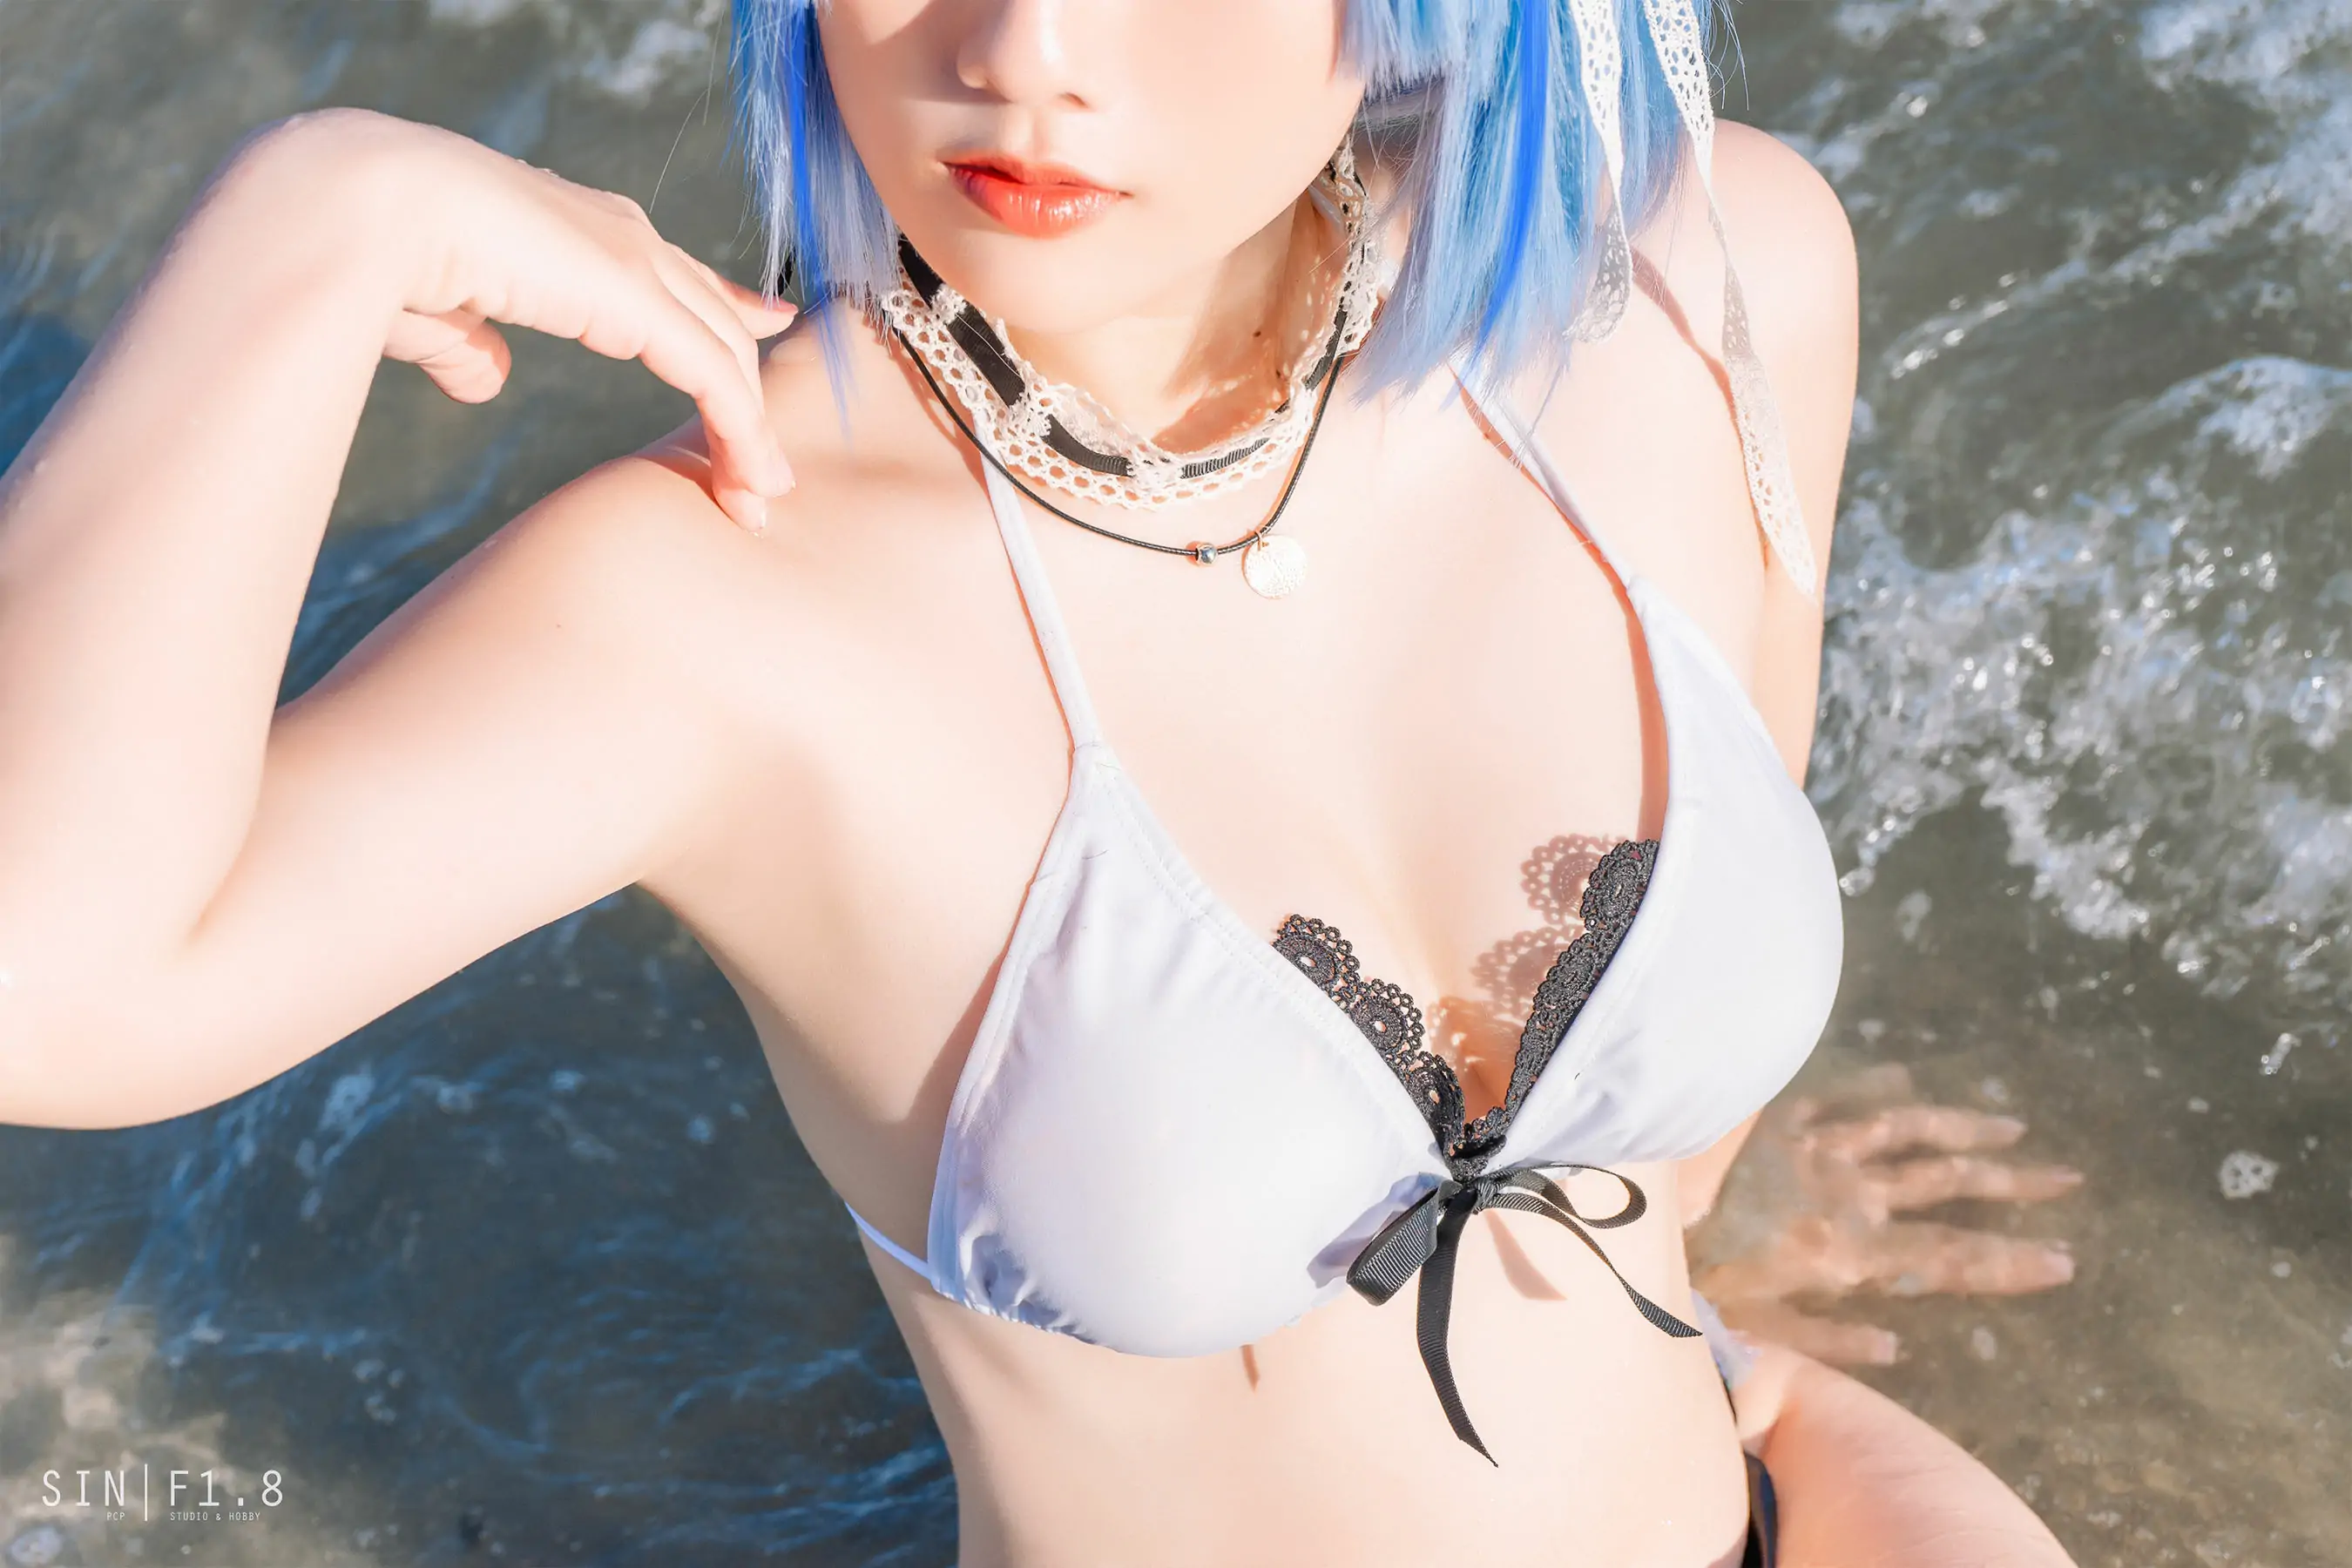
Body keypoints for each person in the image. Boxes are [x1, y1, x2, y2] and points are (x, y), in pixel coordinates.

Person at [0, 0, 2078, 1563]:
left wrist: (1714, 1250)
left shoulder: (1705, 279)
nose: (1022, 55)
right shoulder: (729, 598)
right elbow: (51, 994)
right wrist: (314, 221)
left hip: (1783, 1496)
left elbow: (1672, 1163)